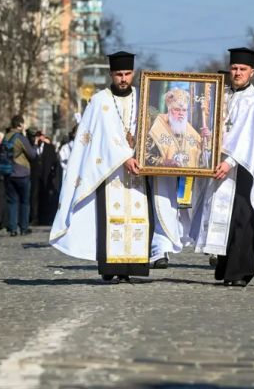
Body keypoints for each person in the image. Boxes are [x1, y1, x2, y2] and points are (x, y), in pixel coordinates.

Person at [51, 51, 183, 282]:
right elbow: (96, 137)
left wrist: (149, 155)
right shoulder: (99, 101)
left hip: (139, 172)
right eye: (119, 74)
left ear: (133, 73)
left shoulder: (143, 99)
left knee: (139, 219)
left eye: (127, 74)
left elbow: (156, 131)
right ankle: (111, 268)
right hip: (110, 173)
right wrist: (124, 157)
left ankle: (131, 268)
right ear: (111, 74)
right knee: (112, 220)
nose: (123, 78)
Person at [189, 47, 254, 286]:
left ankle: (241, 273)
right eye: (234, 68)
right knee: (224, 218)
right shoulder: (222, 96)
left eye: (243, 69)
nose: (238, 72)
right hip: (219, 165)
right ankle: (224, 268)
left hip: (245, 169)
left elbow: (251, 139)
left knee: (243, 220)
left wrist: (230, 161)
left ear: (252, 72)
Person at [144, 88, 209, 168]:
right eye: (177, 110)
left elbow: (202, 160)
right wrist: (163, 162)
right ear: (169, 109)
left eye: (184, 110)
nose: (181, 113)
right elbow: (145, 155)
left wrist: (205, 140)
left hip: (187, 177)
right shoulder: (158, 126)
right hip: (164, 176)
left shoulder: (190, 130)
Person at [1, 116, 38, 236]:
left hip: (8, 173)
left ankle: (12, 228)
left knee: (12, 201)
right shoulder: (21, 138)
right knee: (24, 202)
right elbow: (32, 155)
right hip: (22, 173)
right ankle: (24, 227)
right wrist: (35, 145)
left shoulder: (6, 137)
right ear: (20, 125)